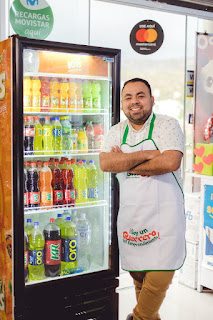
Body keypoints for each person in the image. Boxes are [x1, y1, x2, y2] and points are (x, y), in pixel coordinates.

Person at [99, 78, 186, 320]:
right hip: (133, 217)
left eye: (140, 95)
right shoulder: (116, 131)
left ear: (151, 100)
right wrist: (149, 155)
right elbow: (106, 163)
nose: (134, 102)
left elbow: (170, 162)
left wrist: (125, 162)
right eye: (128, 97)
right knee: (140, 280)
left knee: (158, 279)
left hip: (165, 218)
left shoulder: (168, 125)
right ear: (122, 103)